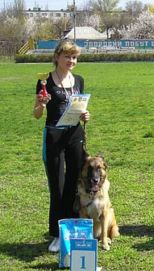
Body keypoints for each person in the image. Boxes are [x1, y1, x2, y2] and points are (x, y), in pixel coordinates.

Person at [33, 39, 90, 252]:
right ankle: (57, 234)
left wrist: (85, 115)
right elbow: (37, 115)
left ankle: (71, 229)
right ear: (57, 56)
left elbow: (80, 106)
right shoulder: (45, 81)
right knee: (57, 186)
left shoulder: (79, 80)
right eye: (67, 56)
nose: (71, 61)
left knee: (73, 184)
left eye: (74, 57)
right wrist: (41, 105)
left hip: (75, 135)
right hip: (54, 137)